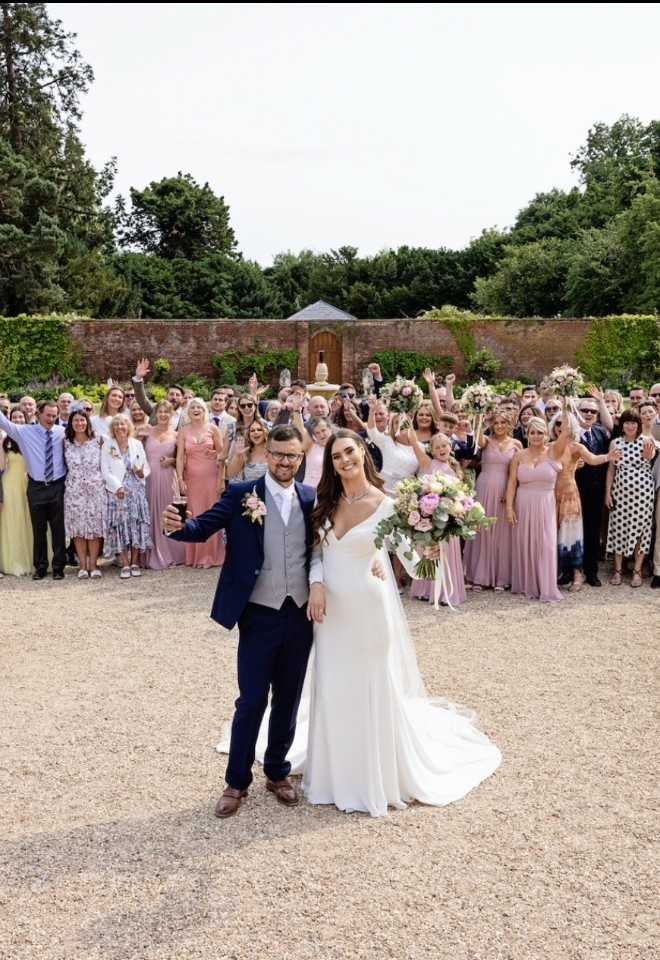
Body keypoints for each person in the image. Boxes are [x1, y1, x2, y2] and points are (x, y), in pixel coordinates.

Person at [301, 429, 501, 817]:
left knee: (371, 684)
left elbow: (412, 560)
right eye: (337, 456)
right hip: (330, 615)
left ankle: (374, 776)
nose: (345, 460)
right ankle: (333, 774)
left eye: (350, 451)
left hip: (369, 611)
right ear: (331, 464)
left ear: (363, 452)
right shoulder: (324, 502)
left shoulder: (387, 505)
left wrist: (428, 547)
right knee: (333, 685)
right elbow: (316, 554)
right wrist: (316, 585)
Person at [162, 424, 317, 819]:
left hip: (299, 614)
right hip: (258, 611)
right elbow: (202, 527)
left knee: (289, 696)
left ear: (301, 458)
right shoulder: (240, 494)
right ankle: (236, 782)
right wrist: (176, 526)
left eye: (292, 455)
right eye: (279, 454)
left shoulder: (312, 498)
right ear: (268, 455)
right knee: (250, 700)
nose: (285, 461)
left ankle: (277, 771)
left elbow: (331, 547)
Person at [505, 409, 570, 602]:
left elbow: (566, 431)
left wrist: (566, 404)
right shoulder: (518, 455)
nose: (535, 436)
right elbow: (511, 483)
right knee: (525, 543)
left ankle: (546, 586)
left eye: (539, 432)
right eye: (532, 432)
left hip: (546, 503)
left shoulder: (554, 451)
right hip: (523, 502)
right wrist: (509, 507)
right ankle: (527, 585)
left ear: (546, 434)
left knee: (546, 545)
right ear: (527, 434)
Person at [0, 399, 67, 580]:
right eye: (48, 415)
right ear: (39, 413)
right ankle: (41, 566)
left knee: (58, 529)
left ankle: (59, 566)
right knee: (38, 529)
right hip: (36, 486)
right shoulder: (24, 432)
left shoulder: (62, 432)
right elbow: (3, 422)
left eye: (54, 416)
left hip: (57, 485)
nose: (51, 419)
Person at [463, 411, 522, 591]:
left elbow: (521, 468)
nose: (499, 426)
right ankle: (479, 576)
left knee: (504, 532)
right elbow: (478, 438)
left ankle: (502, 577)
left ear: (509, 424)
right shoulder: (486, 441)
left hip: (506, 487)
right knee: (483, 530)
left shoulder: (517, 444)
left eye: (503, 422)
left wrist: (512, 489)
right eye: (496, 423)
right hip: (485, 487)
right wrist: (479, 412)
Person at [605, 409, 656, 587]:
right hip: (620, 493)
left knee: (642, 530)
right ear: (622, 425)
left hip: (642, 493)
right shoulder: (615, 444)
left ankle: (637, 570)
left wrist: (649, 455)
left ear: (638, 425)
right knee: (619, 528)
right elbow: (611, 470)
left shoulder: (646, 441)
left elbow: (651, 458)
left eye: (633, 422)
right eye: (626, 422)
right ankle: (618, 569)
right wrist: (607, 493)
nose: (630, 425)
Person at [101, 414, 152, 578]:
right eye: (116, 425)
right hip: (117, 491)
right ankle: (124, 562)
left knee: (136, 524)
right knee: (120, 525)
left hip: (136, 489)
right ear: (112, 429)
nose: (120, 428)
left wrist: (140, 472)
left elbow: (146, 468)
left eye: (123, 425)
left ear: (128, 426)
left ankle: (135, 561)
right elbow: (105, 470)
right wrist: (118, 487)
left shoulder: (136, 444)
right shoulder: (108, 445)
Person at [176, 398, 225, 568]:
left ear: (204, 411)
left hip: (211, 478)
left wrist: (221, 480)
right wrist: (180, 478)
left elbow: (222, 455)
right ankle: (195, 556)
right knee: (194, 515)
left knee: (211, 515)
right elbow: (180, 457)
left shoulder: (213, 429)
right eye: (192, 407)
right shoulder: (183, 431)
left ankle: (210, 556)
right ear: (188, 412)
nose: (196, 410)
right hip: (192, 480)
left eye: (199, 407)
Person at [63, 406, 106, 578]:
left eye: (82, 420)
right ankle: (82, 566)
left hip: (95, 490)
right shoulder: (65, 442)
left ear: (87, 422)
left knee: (94, 529)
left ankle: (94, 565)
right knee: (79, 529)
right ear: (71, 423)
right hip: (74, 491)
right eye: (76, 420)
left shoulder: (98, 440)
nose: (79, 423)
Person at [143, 400, 186, 570]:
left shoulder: (177, 435)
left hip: (169, 477)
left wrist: (172, 460)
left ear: (171, 415)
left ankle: (175, 552)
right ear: (155, 414)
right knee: (151, 513)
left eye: (166, 412)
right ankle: (150, 553)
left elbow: (184, 459)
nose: (162, 415)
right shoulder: (147, 431)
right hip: (149, 478)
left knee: (172, 512)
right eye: (159, 412)